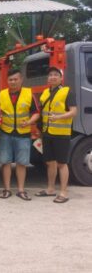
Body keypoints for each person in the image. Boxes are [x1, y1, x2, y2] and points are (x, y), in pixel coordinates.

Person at [36, 67, 77, 203]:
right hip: (47, 133)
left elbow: (73, 112)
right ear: (47, 79)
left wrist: (59, 117)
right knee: (50, 163)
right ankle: (50, 189)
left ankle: (64, 192)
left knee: (62, 163)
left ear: (61, 78)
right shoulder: (45, 93)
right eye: (50, 75)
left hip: (61, 134)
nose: (52, 77)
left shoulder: (67, 92)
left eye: (55, 75)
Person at [0, 68, 40, 201]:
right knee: (5, 162)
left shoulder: (28, 93)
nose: (13, 82)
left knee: (22, 163)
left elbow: (36, 113)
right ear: (7, 81)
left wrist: (29, 122)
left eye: (16, 79)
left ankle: (21, 190)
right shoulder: (2, 94)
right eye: (10, 79)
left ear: (21, 80)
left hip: (23, 134)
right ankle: (7, 189)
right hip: (6, 132)